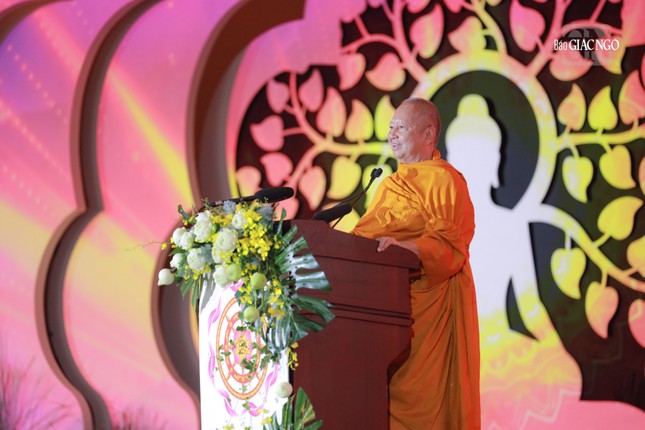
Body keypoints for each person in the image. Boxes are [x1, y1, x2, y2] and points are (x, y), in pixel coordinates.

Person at [351, 97, 481, 429]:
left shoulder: (446, 180)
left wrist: (408, 248)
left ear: (428, 135)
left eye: (401, 127)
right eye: (391, 127)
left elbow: (452, 243)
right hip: (388, 311)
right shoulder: (390, 184)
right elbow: (364, 239)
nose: (392, 134)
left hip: (431, 312)